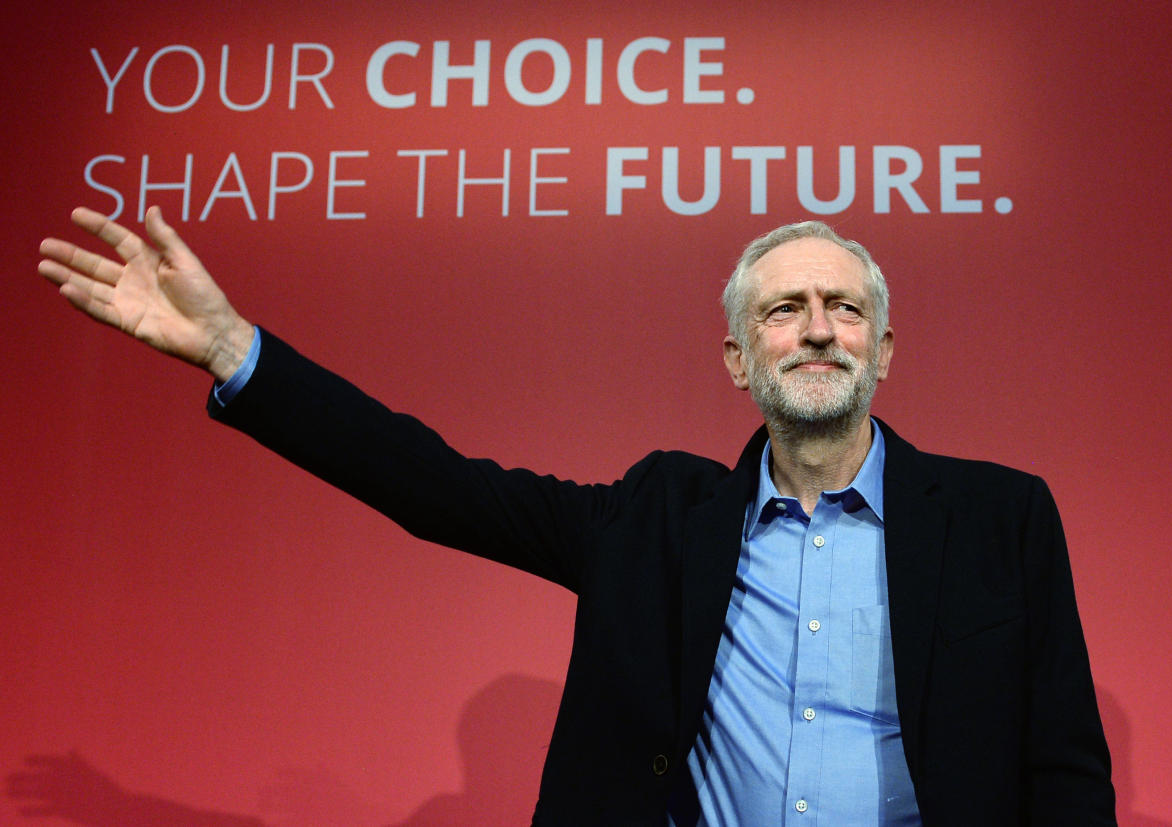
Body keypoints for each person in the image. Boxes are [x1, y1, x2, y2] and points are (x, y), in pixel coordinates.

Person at [38, 207, 1116, 826]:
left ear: (884, 350)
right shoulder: (657, 516)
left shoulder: (999, 516)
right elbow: (437, 485)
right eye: (786, 309)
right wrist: (237, 354)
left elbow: (1065, 768)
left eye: (847, 309)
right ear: (742, 360)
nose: (820, 329)